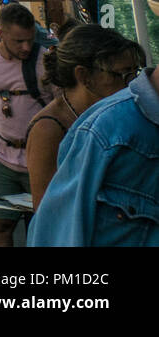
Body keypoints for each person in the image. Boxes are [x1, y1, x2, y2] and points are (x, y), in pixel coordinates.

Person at [29, 63, 159, 246]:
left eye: (131, 73)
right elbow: (58, 234)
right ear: (84, 76)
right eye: (118, 75)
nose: (123, 82)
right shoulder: (104, 130)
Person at [26, 26, 142, 210]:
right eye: (121, 74)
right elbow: (48, 214)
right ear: (84, 75)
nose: (131, 83)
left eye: (135, 73)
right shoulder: (48, 129)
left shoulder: (112, 113)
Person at [0, 2, 51, 246]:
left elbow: (63, 106)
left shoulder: (45, 61)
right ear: (0, 33)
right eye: (19, 41)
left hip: (41, 158)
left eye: (30, 39)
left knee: (44, 225)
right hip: (1, 156)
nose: (26, 47)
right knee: (2, 224)